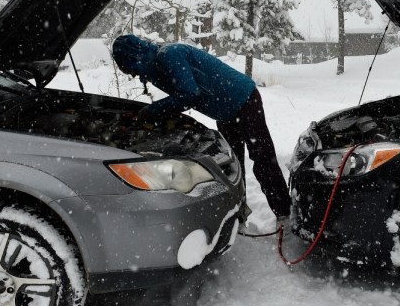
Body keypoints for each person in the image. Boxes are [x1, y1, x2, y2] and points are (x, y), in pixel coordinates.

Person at [112, 35, 291, 226]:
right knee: (232, 165)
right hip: (224, 111)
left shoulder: (169, 55)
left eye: (128, 67)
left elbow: (189, 94)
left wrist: (152, 110)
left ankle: (284, 213)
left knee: (262, 157)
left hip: (242, 98)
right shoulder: (153, 66)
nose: (131, 74)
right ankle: (238, 217)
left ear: (135, 56)